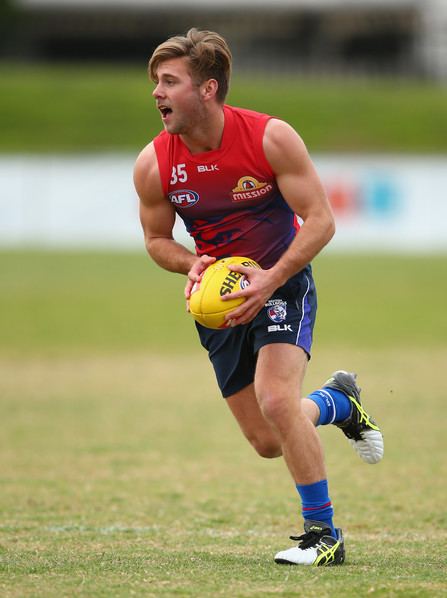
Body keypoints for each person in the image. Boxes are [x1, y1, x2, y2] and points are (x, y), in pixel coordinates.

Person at [134, 28, 384, 566]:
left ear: (208, 89)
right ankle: (339, 402)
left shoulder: (270, 138)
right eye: (156, 81)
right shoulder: (154, 163)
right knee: (269, 439)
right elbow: (156, 240)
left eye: (170, 81)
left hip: (282, 284)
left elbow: (321, 222)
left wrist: (270, 279)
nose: (157, 92)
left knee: (276, 401)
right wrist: (189, 261)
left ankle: (324, 536)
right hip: (217, 308)